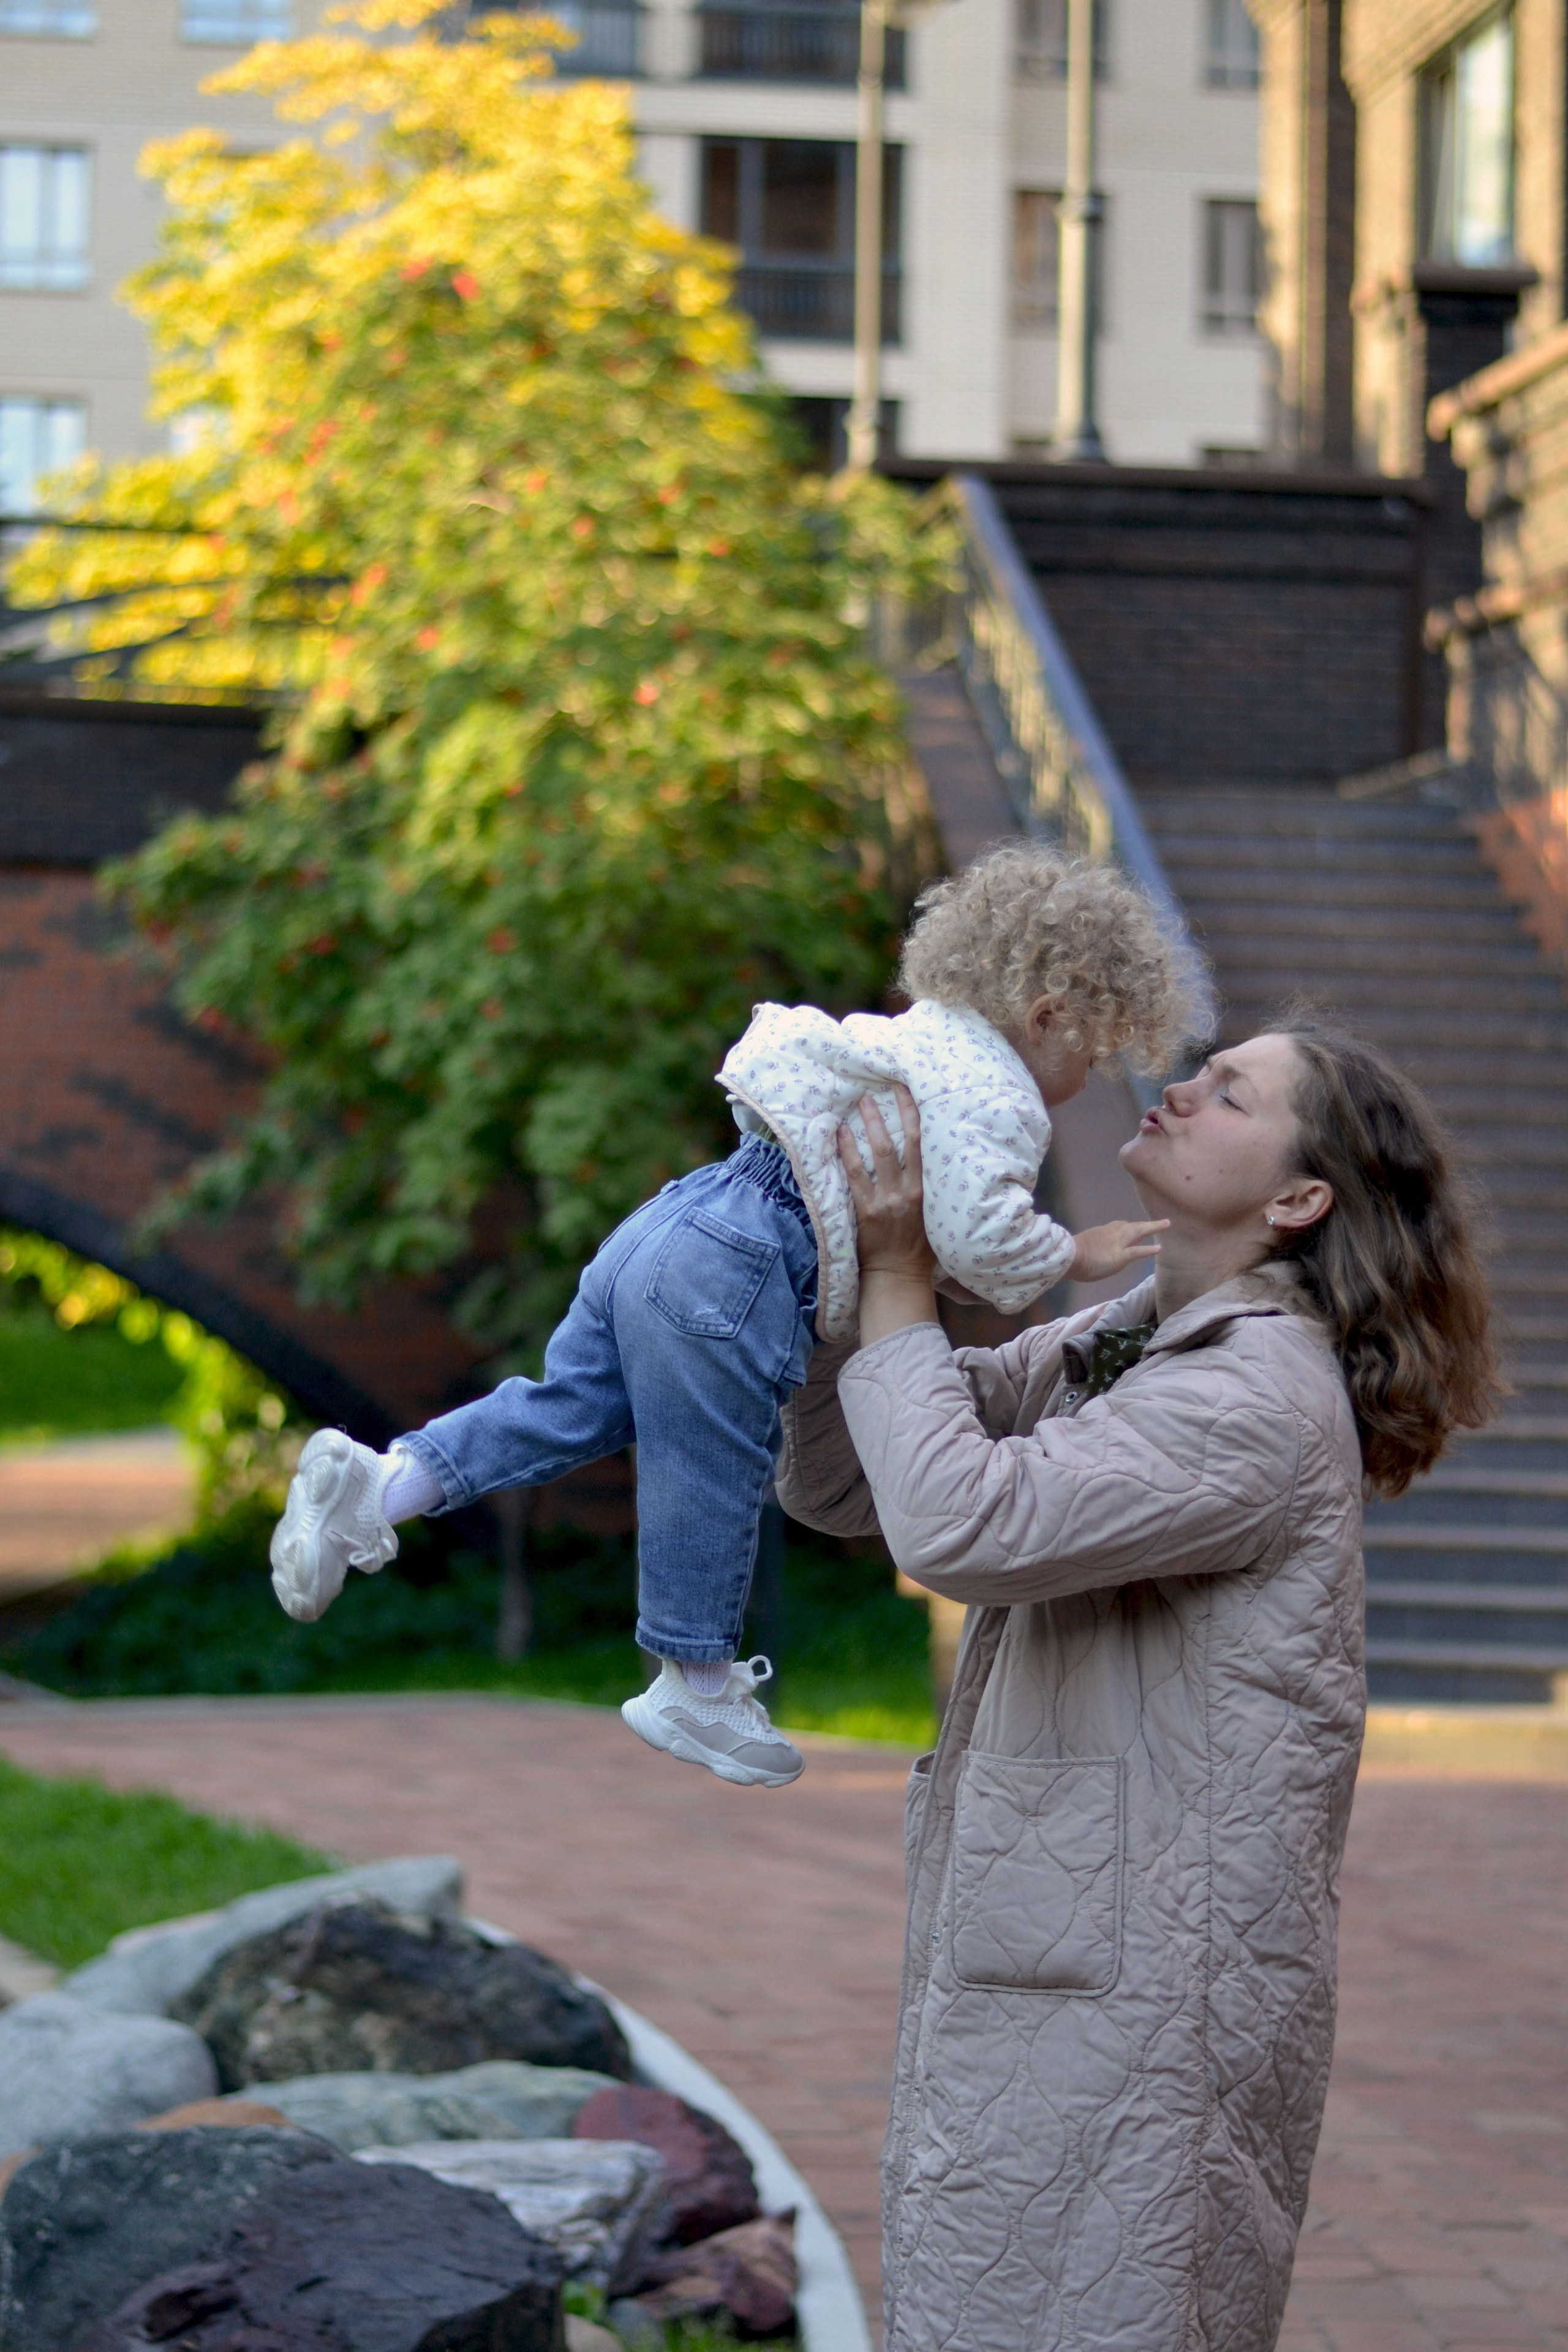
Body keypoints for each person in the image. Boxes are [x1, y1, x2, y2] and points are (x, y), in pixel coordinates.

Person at [775, 1022, 1499, 2352]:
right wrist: (829, 1250)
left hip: (1143, 2011)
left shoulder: (1250, 1398)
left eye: (1229, 1094)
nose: (1177, 1089)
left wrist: (896, 1277)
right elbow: (841, 1482)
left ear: (1295, 1202)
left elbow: (954, 1527)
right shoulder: (1122, 1343)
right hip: (1066, 1968)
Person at [268, 843, 1200, 1789]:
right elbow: (982, 1231)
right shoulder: (1001, 1096)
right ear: (1047, 1018)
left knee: (571, 1405)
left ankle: (384, 1485)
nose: (1085, 1078)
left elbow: (921, 1229)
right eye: (1093, 1053)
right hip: (745, 1266)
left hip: (681, 1218)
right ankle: (694, 1677)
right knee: (711, 1460)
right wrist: (1075, 1251)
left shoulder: (915, 1038)